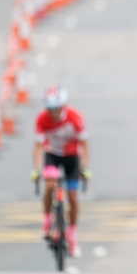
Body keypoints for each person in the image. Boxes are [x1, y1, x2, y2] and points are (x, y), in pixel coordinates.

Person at [31, 84, 91, 259]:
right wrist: (36, 169)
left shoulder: (75, 117)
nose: (53, 113)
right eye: (49, 109)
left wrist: (84, 167)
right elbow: (37, 147)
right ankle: (47, 220)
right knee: (50, 183)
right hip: (53, 155)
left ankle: (73, 235)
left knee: (72, 197)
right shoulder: (42, 119)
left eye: (56, 109)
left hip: (72, 157)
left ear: (63, 106)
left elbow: (85, 146)